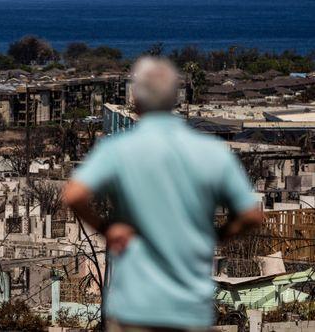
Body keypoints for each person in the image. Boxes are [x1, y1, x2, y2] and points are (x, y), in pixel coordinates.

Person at [63, 57, 263, 332]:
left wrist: (107, 229)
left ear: (136, 99)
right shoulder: (210, 152)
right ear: (174, 99)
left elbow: (74, 193)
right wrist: (218, 236)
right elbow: (252, 214)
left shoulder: (118, 149)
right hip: (189, 309)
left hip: (134, 306)